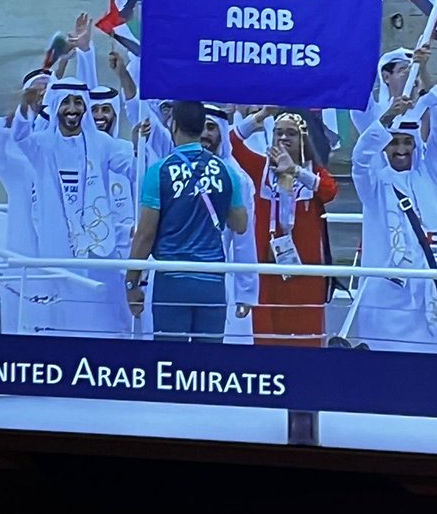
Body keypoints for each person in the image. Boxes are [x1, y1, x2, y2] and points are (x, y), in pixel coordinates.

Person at [12, 76, 130, 336]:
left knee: (100, 311)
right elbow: (19, 137)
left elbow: (132, 168)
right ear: (55, 106)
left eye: (78, 102)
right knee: (61, 313)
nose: (73, 109)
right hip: (57, 244)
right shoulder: (41, 144)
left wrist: (143, 142)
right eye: (66, 102)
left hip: (97, 247)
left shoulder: (102, 143)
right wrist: (25, 109)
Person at [126, 101, 247, 344]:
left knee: (171, 359)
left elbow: (145, 235)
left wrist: (131, 282)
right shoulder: (227, 171)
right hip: (212, 281)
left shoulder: (159, 171)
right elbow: (240, 225)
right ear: (202, 128)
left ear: (173, 126)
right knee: (208, 361)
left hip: (172, 280)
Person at [351, 88, 437, 352]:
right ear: (384, 147)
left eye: (407, 142)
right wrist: (386, 118)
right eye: (393, 143)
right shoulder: (374, 185)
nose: (401, 150)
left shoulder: (431, 176)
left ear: (415, 145)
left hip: (434, 295)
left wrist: (431, 99)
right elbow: (360, 160)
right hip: (390, 299)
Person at [232, 108, 338, 348]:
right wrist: (261, 115)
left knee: (306, 339)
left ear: (303, 139)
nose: (283, 138)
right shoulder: (261, 169)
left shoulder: (312, 172)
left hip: (306, 271)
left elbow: (330, 191)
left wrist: (295, 171)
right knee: (267, 339)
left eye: (291, 133)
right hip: (267, 268)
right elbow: (232, 144)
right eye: (278, 132)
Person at [201, 104, 258, 343]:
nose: (205, 134)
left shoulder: (237, 177)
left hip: (217, 273)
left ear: (222, 133)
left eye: (211, 128)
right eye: (200, 127)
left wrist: (246, 292)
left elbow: (244, 239)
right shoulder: (176, 167)